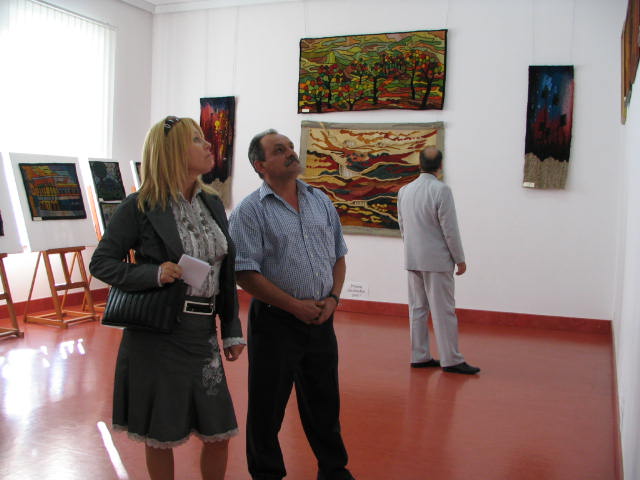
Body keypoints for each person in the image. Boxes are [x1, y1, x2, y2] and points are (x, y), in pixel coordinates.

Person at [90, 116, 245, 480]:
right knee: (161, 435)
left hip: (202, 334)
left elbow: (224, 270)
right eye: (197, 140)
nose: (208, 146)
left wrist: (231, 329)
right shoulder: (140, 205)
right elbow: (102, 262)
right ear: (172, 151)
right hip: (159, 335)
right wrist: (154, 273)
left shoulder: (211, 203)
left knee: (218, 431)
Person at [229, 129, 355, 480]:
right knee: (267, 407)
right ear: (261, 165)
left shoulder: (320, 200)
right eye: (279, 150)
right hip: (275, 322)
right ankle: (267, 474)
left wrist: (333, 299)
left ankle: (334, 470)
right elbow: (244, 272)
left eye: (289, 147)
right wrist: (293, 306)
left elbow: (338, 256)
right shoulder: (250, 211)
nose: (290, 153)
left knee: (324, 402)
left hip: (321, 320)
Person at [397, 146, 480, 375]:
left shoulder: (404, 191)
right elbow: (449, 229)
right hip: (437, 260)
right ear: (441, 166)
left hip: (413, 257)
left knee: (417, 309)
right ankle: (451, 359)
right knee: (444, 311)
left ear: (419, 164)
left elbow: (403, 225)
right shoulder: (441, 190)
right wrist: (460, 259)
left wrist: (411, 248)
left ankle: (419, 355)